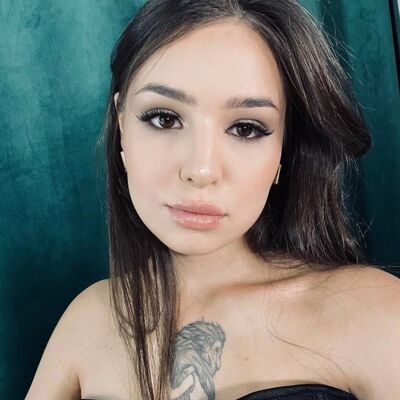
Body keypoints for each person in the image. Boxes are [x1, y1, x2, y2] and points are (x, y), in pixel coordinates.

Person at [26, 1, 400, 399]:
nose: (201, 170)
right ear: (121, 126)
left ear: (283, 150)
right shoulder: (89, 321)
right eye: (164, 119)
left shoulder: (375, 313)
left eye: (246, 128)